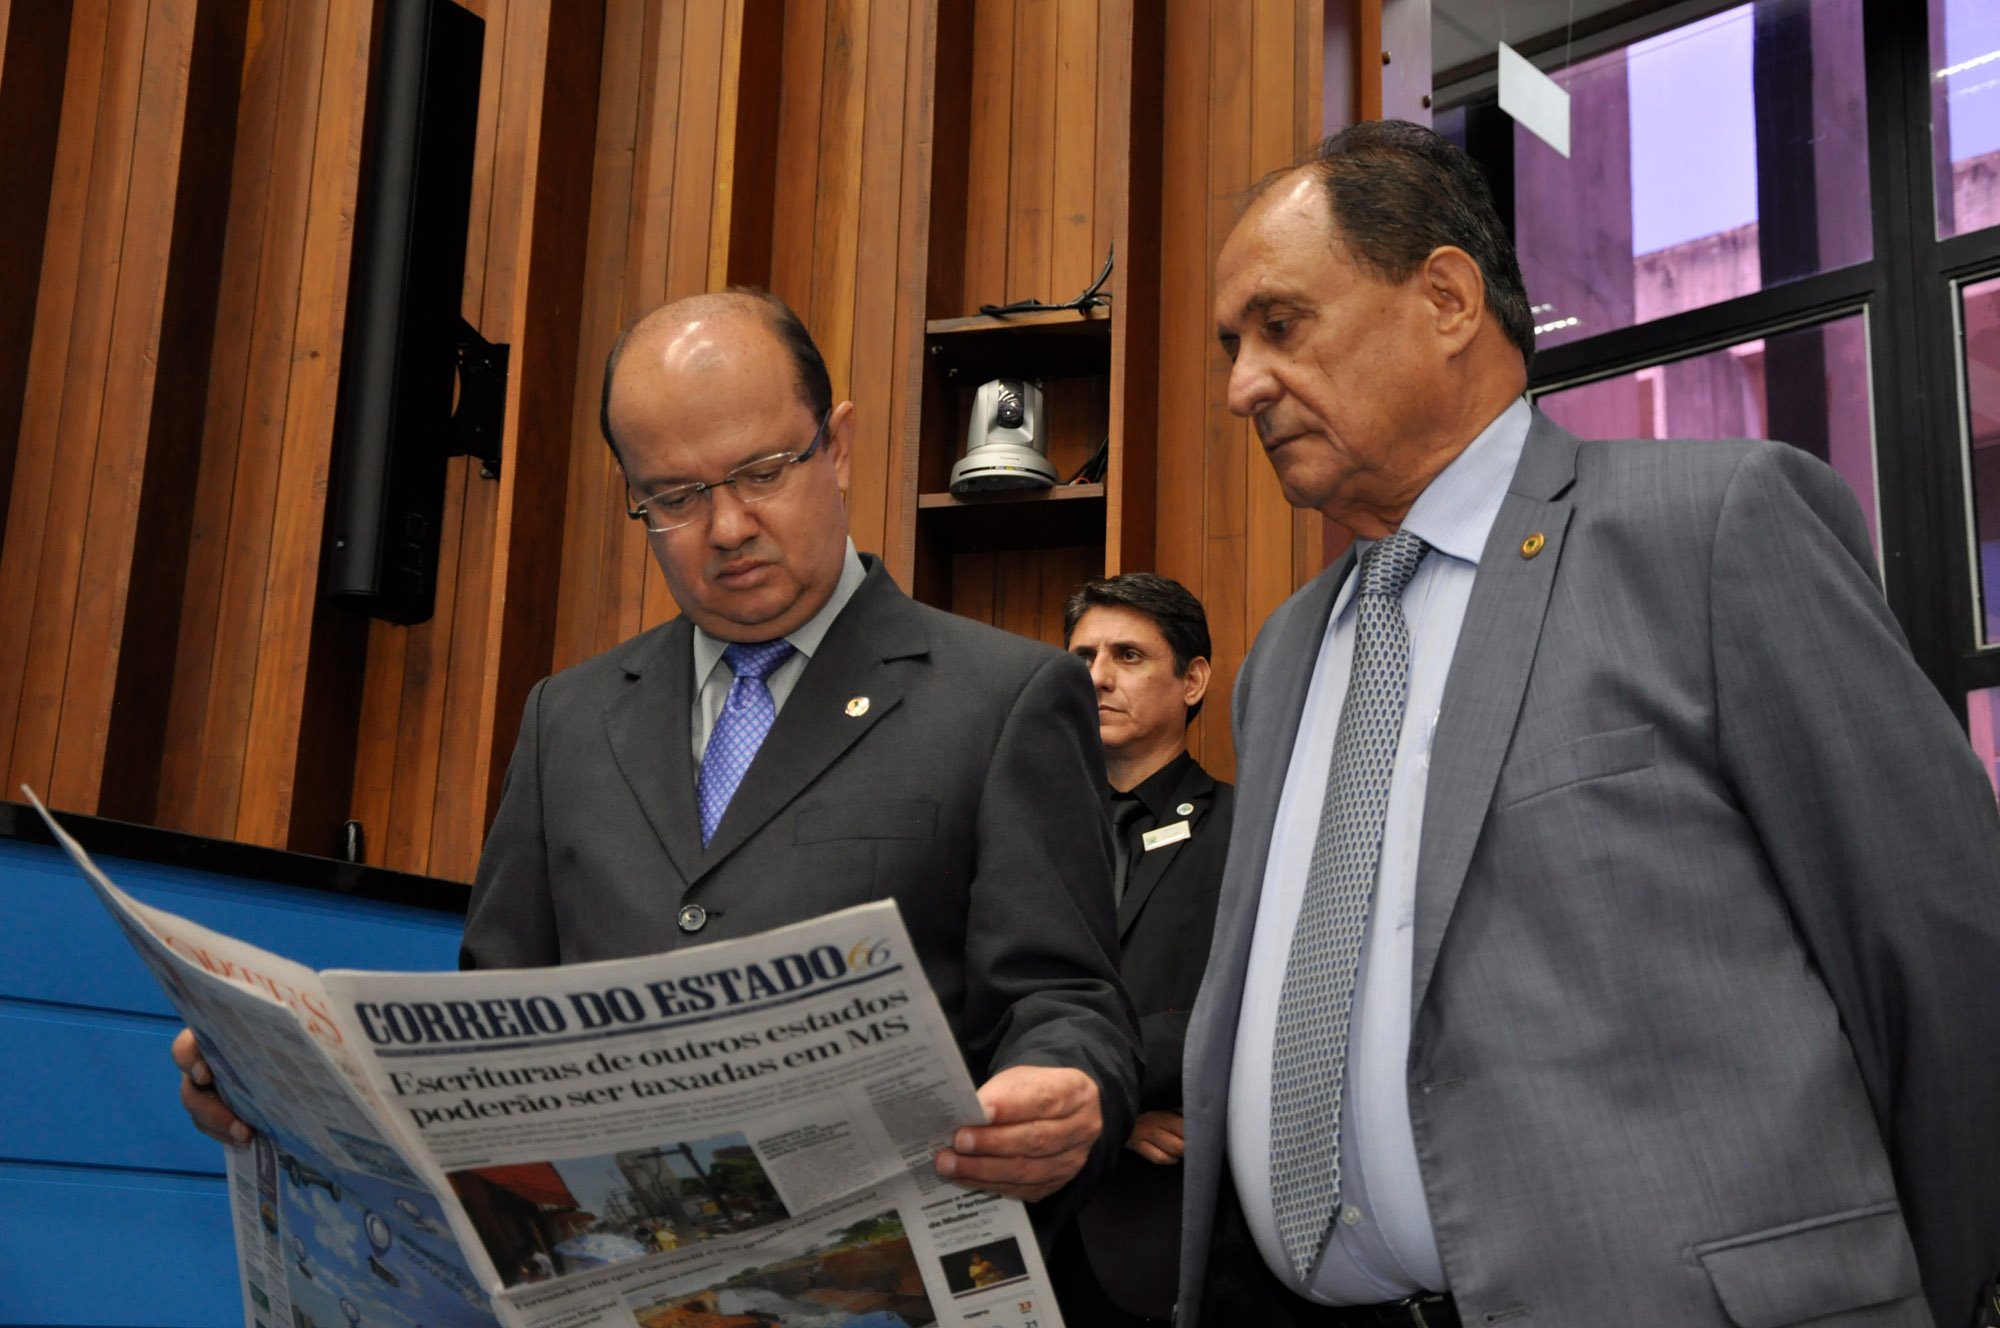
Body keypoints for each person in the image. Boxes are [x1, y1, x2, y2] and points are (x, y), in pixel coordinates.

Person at [1179, 119, 2000, 1328]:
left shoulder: (1711, 531)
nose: (1241, 385)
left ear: (1446, 298)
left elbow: (1934, 951)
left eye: (1279, 325)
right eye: (1232, 346)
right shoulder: (1281, 658)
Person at [176, 289, 1140, 1210]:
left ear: (838, 446)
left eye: (763, 472)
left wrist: (1067, 1091)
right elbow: (496, 1030)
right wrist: (285, 1093)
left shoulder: (1001, 699)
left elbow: (1064, 1003)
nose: (728, 528)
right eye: (674, 497)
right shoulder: (567, 719)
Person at [1047, 573, 1233, 1327]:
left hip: (1175, 1238)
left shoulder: (1252, 832)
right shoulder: (1019, 832)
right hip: (1028, 1229)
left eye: (1128, 656)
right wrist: (1108, 1113)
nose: (1097, 678)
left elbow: (1252, 1008)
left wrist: (1082, 1082)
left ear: (1193, 680)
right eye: (1083, 657)